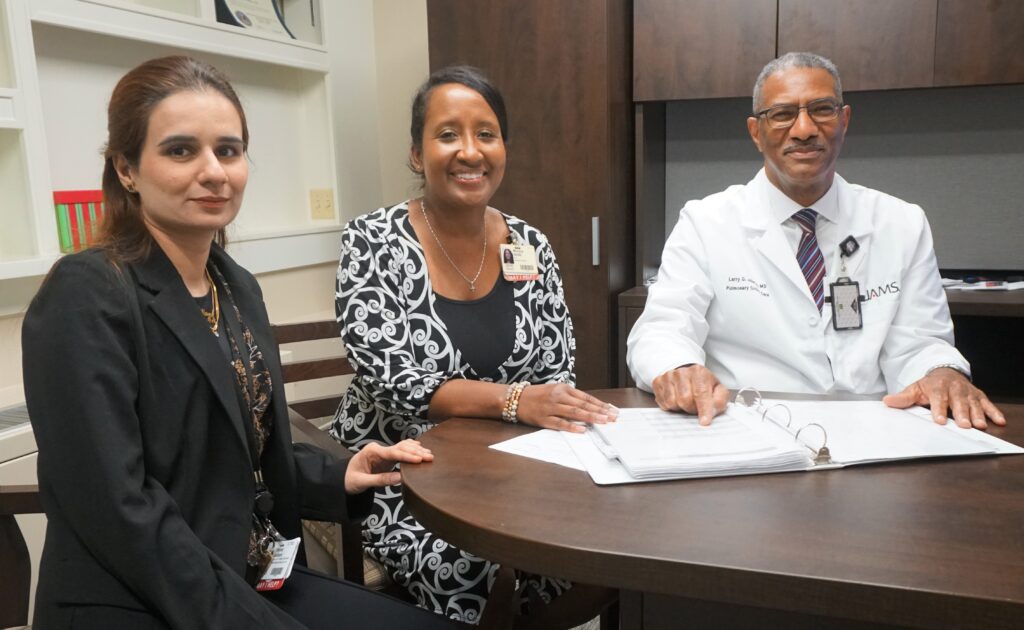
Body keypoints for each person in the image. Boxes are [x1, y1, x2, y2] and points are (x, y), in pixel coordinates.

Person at [22, 56, 458, 630]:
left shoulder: (235, 287)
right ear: (127, 169)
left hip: (242, 572)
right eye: (181, 151)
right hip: (141, 598)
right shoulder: (86, 293)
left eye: (228, 150)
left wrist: (342, 472)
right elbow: (118, 509)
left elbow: (237, 450)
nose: (214, 172)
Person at [332, 65, 617, 627]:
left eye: (486, 134)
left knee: (600, 556)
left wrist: (540, 409)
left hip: (512, 470)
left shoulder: (528, 243)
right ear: (417, 153)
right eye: (447, 135)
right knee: (475, 567)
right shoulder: (372, 241)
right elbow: (395, 381)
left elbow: (556, 369)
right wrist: (514, 400)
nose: (470, 152)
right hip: (398, 474)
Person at [627, 52, 1005, 430]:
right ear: (756, 133)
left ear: (844, 120)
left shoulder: (901, 222)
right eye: (782, 114)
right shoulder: (706, 222)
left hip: (875, 433)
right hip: (751, 430)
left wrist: (942, 371)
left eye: (822, 109)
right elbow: (662, 329)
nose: (804, 129)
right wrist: (677, 367)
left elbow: (921, 341)